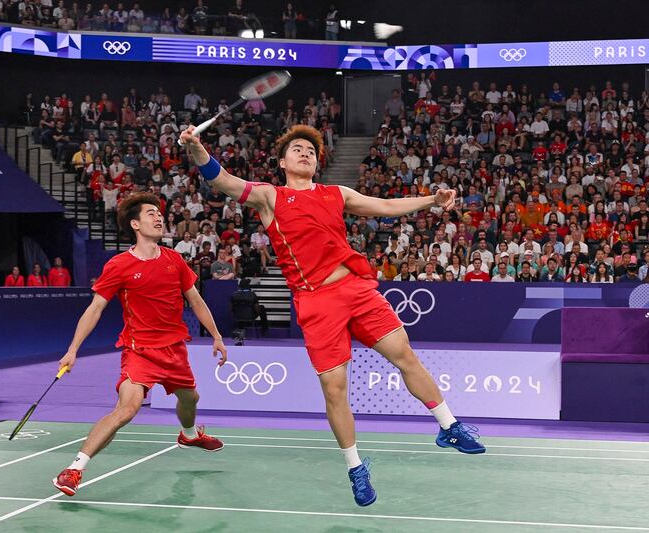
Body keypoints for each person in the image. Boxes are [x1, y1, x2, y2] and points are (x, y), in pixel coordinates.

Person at [180, 124, 485, 508]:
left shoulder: (336, 194)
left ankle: (449, 427)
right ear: (282, 162)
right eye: (297, 149)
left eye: (310, 150)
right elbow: (221, 180)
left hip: (356, 289)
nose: (305, 153)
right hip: (316, 300)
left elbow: (386, 206)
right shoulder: (270, 197)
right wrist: (196, 147)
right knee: (335, 388)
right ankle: (356, 467)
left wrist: (432, 201)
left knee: (404, 354)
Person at [53, 192, 227, 497]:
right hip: (140, 351)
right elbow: (95, 308)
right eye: (150, 213)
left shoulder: (174, 260)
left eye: (159, 213)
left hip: (174, 349)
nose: (159, 217)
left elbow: (196, 299)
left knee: (191, 399)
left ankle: (188, 435)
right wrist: (73, 348)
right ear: (135, 224)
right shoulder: (119, 265)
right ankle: (74, 469)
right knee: (127, 409)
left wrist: (216, 335)